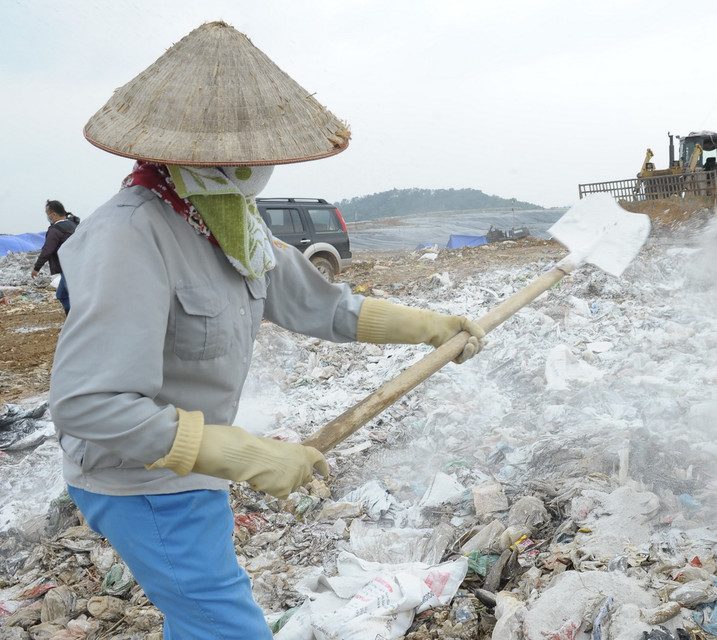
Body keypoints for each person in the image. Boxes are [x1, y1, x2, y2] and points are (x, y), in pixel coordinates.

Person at [49, 21, 484, 640]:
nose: (261, 166)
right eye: (249, 153)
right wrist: (242, 454)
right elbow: (87, 403)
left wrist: (430, 328)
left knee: (200, 617)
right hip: (138, 478)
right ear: (197, 153)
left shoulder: (228, 220)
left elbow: (324, 306)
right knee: (226, 628)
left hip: (190, 469)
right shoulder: (130, 235)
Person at [31, 199, 78, 316]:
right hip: (77, 264)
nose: (48, 218)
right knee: (61, 295)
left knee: (75, 297)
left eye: (48, 215)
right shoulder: (74, 225)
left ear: (54, 214)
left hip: (67, 267)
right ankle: (69, 319)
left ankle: (76, 324)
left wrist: (36, 268)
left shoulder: (55, 230)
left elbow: (47, 250)